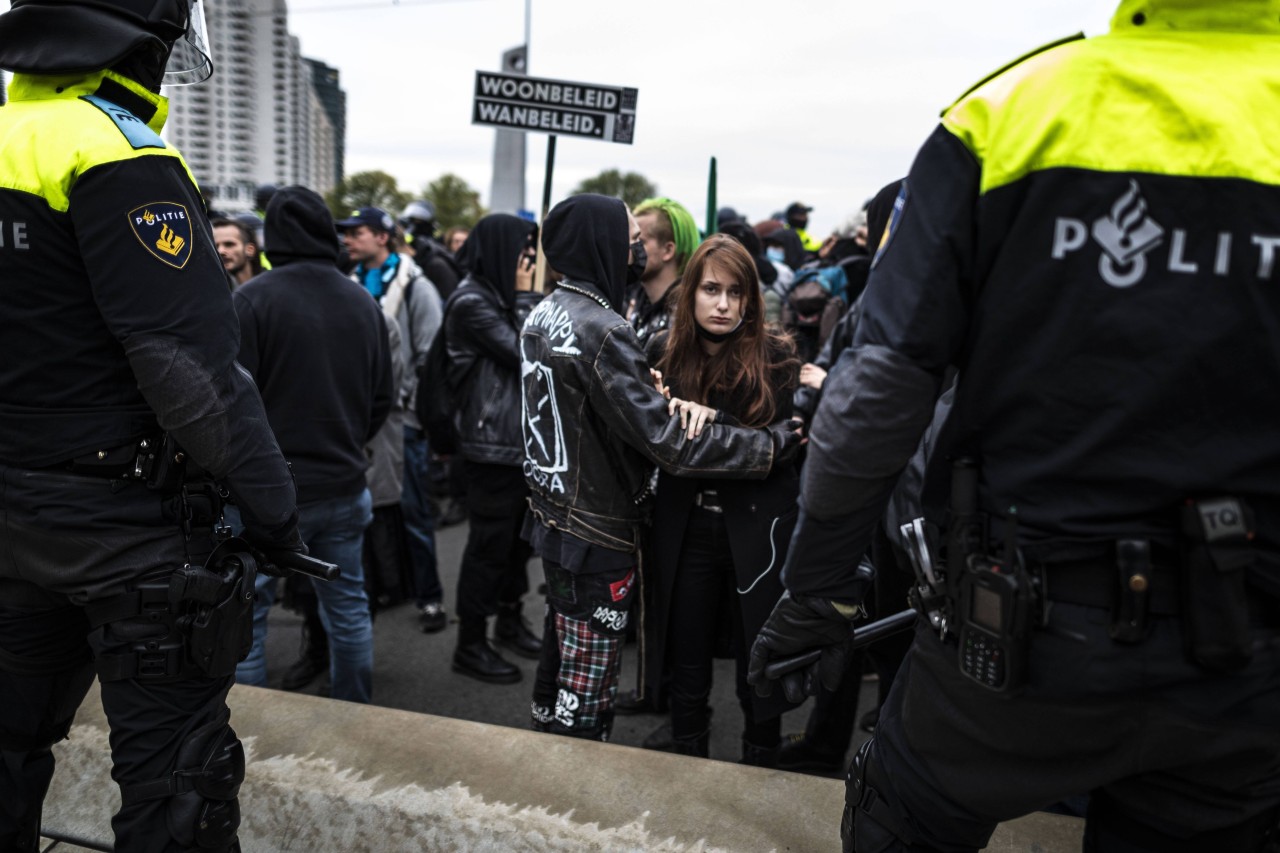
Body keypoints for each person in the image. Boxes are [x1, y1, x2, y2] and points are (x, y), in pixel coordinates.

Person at [748, 3, 1280, 851]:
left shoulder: (1013, 112)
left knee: (901, 811)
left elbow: (874, 399)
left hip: (1017, 638)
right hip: (1246, 654)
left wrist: (816, 589)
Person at [0, 1, 303, 849]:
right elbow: (191, 375)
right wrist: (275, 514)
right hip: (129, 540)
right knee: (182, 790)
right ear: (143, 36)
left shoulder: (9, 135)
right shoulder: (117, 152)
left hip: (10, 523)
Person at [520, 193, 803, 742]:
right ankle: (565, 802)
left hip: (573, 522)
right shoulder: (617, 334)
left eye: (735, 292)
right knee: (592, 689)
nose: (637, 248)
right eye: (628, 235)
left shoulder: (549, 311)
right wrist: (768, 445)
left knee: (567, 679)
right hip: (608, 531)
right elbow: (671, 443)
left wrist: (690, 411)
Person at [645, 235, 802, 765]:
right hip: (686, 527)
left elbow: (786, 447)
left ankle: (762, 778)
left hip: (755, 534)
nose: (723, 305)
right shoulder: (661, 352)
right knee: (686, 664)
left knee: (758, 669)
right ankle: (686, 775)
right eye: (712, 289)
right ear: (690, 292)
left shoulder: (775, 356)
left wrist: (718, 423)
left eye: (736, 292)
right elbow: (659, 449)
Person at [233, 187, 393, 703]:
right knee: (347, 607)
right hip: (344, 483)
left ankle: (252, 731)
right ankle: (356, 714)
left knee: (246, 614)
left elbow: (230, 402)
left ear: (270, 238)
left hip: (263, 493)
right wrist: (346, 439)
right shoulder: (363, 302)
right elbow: (381, 398)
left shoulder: (251, 300)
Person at [338, 207, 448, 634]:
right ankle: (385, 589)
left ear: (383, 237)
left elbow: (429, 357)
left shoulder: (416, 286)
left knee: (414, 513)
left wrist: (409, 413)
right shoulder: (349, 282)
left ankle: (431, 598)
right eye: (345, 233)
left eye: (357, 232)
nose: (348, 239)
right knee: (368, 514)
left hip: (403, 424)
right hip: (361, 423)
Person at [445, 214, 544, 684]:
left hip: (515, 446)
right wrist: (526, 295)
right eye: (522, 250)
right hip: (489, 449)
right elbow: (528, 354)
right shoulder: (471, 300)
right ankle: (470, 642)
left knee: (516, 546)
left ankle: (508, 621)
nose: (528, 259)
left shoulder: (496, 296)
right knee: (487, 549)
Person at [626, 196, 701, 347]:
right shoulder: (636, 304)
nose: (630, 248)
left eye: (639, 241)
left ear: (668, 250)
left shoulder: (687, 315)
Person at [211, 216, 260, 288]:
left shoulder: (271, 286)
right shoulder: (207, 292)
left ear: (250, 250)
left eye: (229, 244)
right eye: (215, 246)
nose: (220, 251)